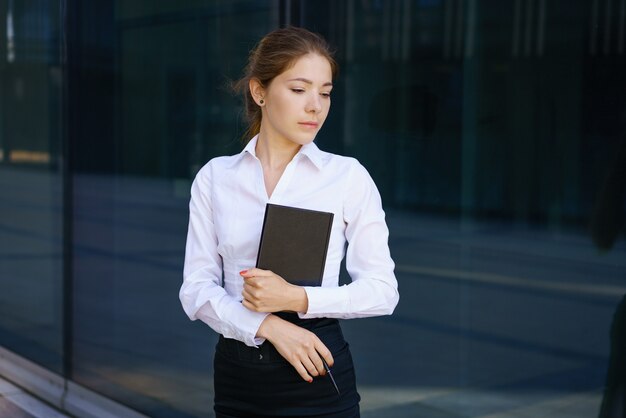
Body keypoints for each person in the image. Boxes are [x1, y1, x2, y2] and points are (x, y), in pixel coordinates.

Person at [180, 26, 399, 418]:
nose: (315, 106)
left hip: (315, 369)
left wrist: (297, 299)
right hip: (237, 377)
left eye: (326, 92)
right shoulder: (216, 178)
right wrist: (270, 325)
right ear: (259, 92)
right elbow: (196, 288)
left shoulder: (347, 177)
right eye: (299, 90)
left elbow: (383, 291)